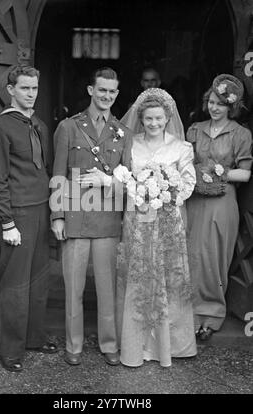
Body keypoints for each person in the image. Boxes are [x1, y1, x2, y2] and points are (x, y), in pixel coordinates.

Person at [51, 67, 133, 366]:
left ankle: (108, 343)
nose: (107, 96)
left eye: (112, 92)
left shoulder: (124, 132)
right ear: (90, 90)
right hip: (75, 217)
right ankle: (74, 344)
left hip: (108, 220)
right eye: (102, 90)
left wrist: (108, 182)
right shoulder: (69, 127)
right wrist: (57, 216)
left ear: (117, 93)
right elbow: (59, 173)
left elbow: (131, 181)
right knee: (73, 288)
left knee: (107, 287)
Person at [115, 88, 197, 368]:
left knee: (167, 276)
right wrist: (140, 192)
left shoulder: (181, 147)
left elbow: (188, 182)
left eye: (158, 119)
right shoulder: (130, 144)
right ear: (141, 118)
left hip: (167, 221)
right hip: (138, 220)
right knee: (140, 275)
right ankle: (137, 345)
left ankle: (168, 345)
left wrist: (166, 196)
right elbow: (124, 177)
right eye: (148, 119)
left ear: (167, 118)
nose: (153, 124)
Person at [0, 65, 57, 372]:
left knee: (39, 280)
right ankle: (10, 350)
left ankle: (33, 338)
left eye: (35, 88)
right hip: (18, 214)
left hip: (41, 208)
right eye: (25, 88)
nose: (31, 94)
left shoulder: (38, 123)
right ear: (11, 89)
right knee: (15, 284)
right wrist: (7, 222)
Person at [186, 74, 252, 341]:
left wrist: (217, 171)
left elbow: (245, 174)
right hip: (195, 201)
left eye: (221, 104)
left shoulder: (241, 134)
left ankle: (211, 316)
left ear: (231, 107)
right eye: (211, 101)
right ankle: (188, 315)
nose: (214, 107)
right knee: (192, 255)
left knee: (214, 258)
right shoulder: (194, 129)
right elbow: (184, 164)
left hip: (223, 203)